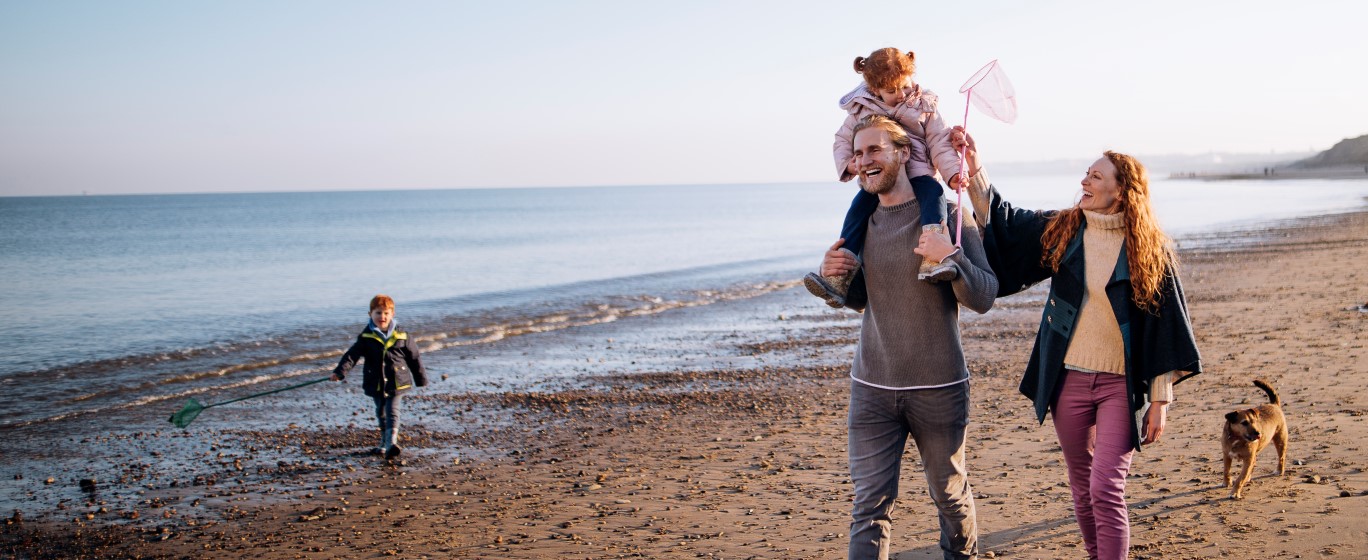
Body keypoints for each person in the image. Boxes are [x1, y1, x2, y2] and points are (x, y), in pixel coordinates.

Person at [952, 128, 1201, 560]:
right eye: (1086, 174)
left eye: (1096, 177)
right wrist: (973, 167)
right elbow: (1010, 221)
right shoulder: (1067, 229)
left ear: (1122, 192)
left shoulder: (1148, 250)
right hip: (1068, 381)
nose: (1084, 182)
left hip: (1120, 386)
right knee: (1083, 487)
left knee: (1107, 486)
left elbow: (1166, 327)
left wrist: (1160, 399)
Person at [821, 115, 997, 560]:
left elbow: (984, 296)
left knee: (949, 496)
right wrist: (836, 278)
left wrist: (952, 257)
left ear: (903, 153)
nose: (864, 161)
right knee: (869, 506)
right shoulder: (861, 224)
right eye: (858, 154)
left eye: (875, 150)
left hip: (938, 386)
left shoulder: (949, 216)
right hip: (872, 387)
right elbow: (864, 300)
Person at [806, 47, 967, 308]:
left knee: (934, 196)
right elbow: (842, 140)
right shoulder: (861, 110)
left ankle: (933, 257)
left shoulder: (923, 104)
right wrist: (849, 164)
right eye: (892, 91)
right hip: (880, 180)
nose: (901, 95)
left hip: (920, 172)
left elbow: (939, 140)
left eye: (904, 86)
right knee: (858, 209)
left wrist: (953, 174)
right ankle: (840, 273)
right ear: (874, 90)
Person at [332, 294, 428, 460]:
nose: (382, 317)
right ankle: (384, 442)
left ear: (392, 314)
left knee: (392, 411)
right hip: (375, 382)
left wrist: (420, 379)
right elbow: (351, 356)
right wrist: (340, 372)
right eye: (378, 313)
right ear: (370, 314)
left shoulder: (403, 336)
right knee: (381, 412)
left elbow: (414, 358)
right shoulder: (366, 337)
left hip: (397, 381)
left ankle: (392, 443)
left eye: (386, 313)